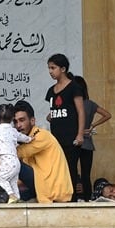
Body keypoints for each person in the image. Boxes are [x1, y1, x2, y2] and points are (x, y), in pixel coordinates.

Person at [13, 100, 73, 203]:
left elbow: (12, 155)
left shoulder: (41, 135)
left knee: (12, 160)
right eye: (15, 122)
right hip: (41, 186)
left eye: (22, 120)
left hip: (52, 189)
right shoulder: (28, 140)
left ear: (32, 121)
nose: (18, 125)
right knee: (9, 196)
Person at [44, 53, 85, 202]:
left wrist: (80, 134)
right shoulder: (51, 90)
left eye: (53, 68)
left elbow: (80, 111)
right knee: (57, 169)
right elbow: (56, 108)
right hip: (56, 137)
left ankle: (71, 199)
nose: (50, 71)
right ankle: (58, 197)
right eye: (49, 68)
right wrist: (51, 116)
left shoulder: (74, 87)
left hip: (71, 136)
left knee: (70, 168)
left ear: (63, 69)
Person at [70, 75, 110, 201]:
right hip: (87, 141)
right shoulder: (90, 104)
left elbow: (49, 117)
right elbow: (107, 115)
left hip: (73, 141)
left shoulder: (71, 103)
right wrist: (92, 125)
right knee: (86, 175)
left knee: (72, 173)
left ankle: (73, 199)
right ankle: (88, 199)